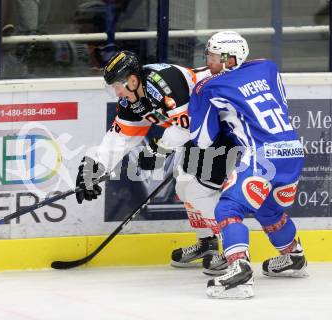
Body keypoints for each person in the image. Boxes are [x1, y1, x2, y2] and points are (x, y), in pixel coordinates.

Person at [75, 50, 236, 275]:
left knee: (200, 190)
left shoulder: (164, 87)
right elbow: (120, 138)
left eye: (117, 86)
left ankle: (232, 253)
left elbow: (185, 128)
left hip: (223, 126)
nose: (116, 92)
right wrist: (93, 167)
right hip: (202, 132)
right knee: (183, 185)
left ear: (132, 80)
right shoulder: (132, 99)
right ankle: (207, 243)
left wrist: (158, 151)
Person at [188, 31, 307, 299]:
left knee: (229, 208)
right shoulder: (268, 67)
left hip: (262, 155)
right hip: (292, 150)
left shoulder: (209, 87)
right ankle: (294, 257)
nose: (208, 59)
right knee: (269, 211)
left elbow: (204, 139)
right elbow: (281, 104)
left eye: (213, 55)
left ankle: (239, 272)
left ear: (229, 59)